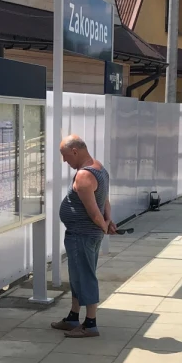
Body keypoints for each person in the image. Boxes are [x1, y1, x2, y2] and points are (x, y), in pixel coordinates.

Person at [50, 135, 115, 338]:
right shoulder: (99, 168)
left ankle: (90, 324)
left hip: (82, 235)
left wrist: (104, 225)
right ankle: (73, 317)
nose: (64, 160)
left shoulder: (84, 176)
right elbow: (104, 200)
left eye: (65, 155)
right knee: (78, 276)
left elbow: (93, 212)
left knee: (85, 277)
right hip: (86, 234)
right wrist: (108, 221)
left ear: (75, 151)